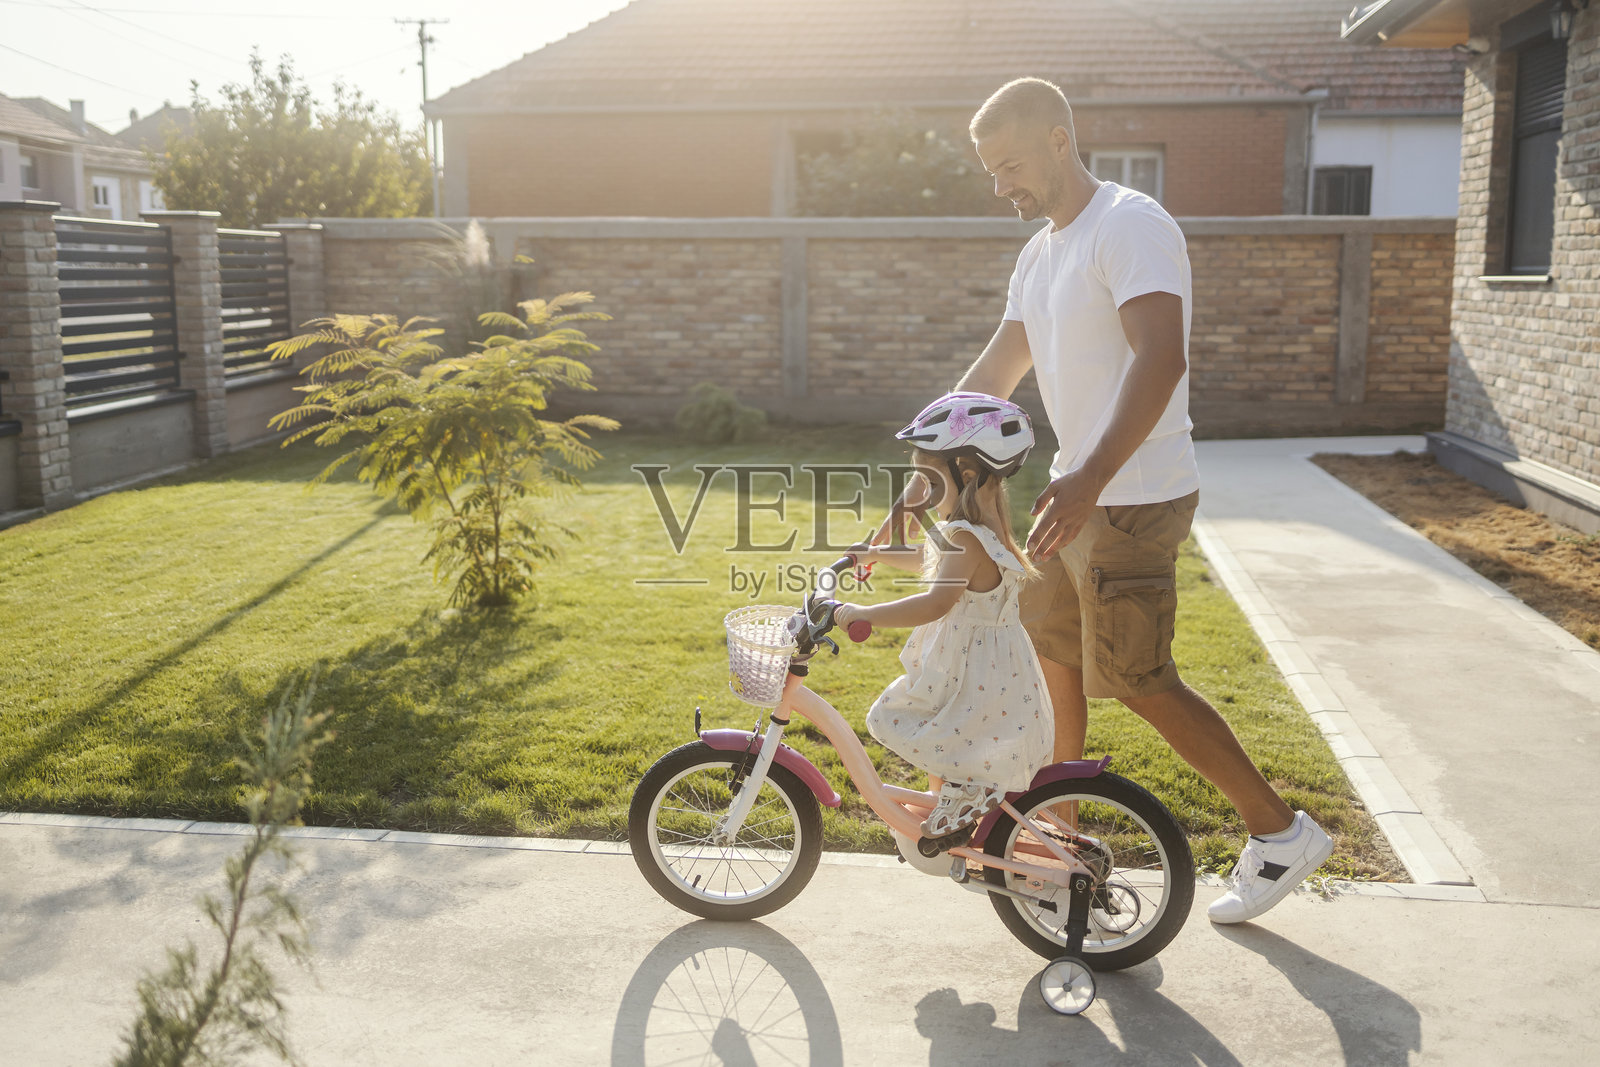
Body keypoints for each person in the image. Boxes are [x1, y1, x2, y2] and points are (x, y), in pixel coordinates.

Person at [879, 77, 1331, 924]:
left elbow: (1160, 360)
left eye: (1009, 163)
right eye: (989, 168)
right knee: (1052, 664)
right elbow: (992, 377)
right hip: (1075, 497)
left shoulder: (1129, 225)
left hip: (1131, 496)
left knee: (1135, 674)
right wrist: (920, 484)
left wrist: (1087, 479)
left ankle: (1281, 833)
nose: (999, 183)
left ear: (1059, 141)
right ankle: (1056, 844)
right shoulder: (1041, 252)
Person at [833, 393, 1054, 838]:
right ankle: (959, 811)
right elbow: (930, 561)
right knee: (948, 741)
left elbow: (935, 601)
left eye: (928, 480)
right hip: (989, 671)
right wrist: (875, 552)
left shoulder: (966, 537)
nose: (921, 493)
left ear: (965, 475)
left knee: (906, 720)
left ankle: (965, 809)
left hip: (976, 676)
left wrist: (863, 613)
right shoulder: (979, 532)